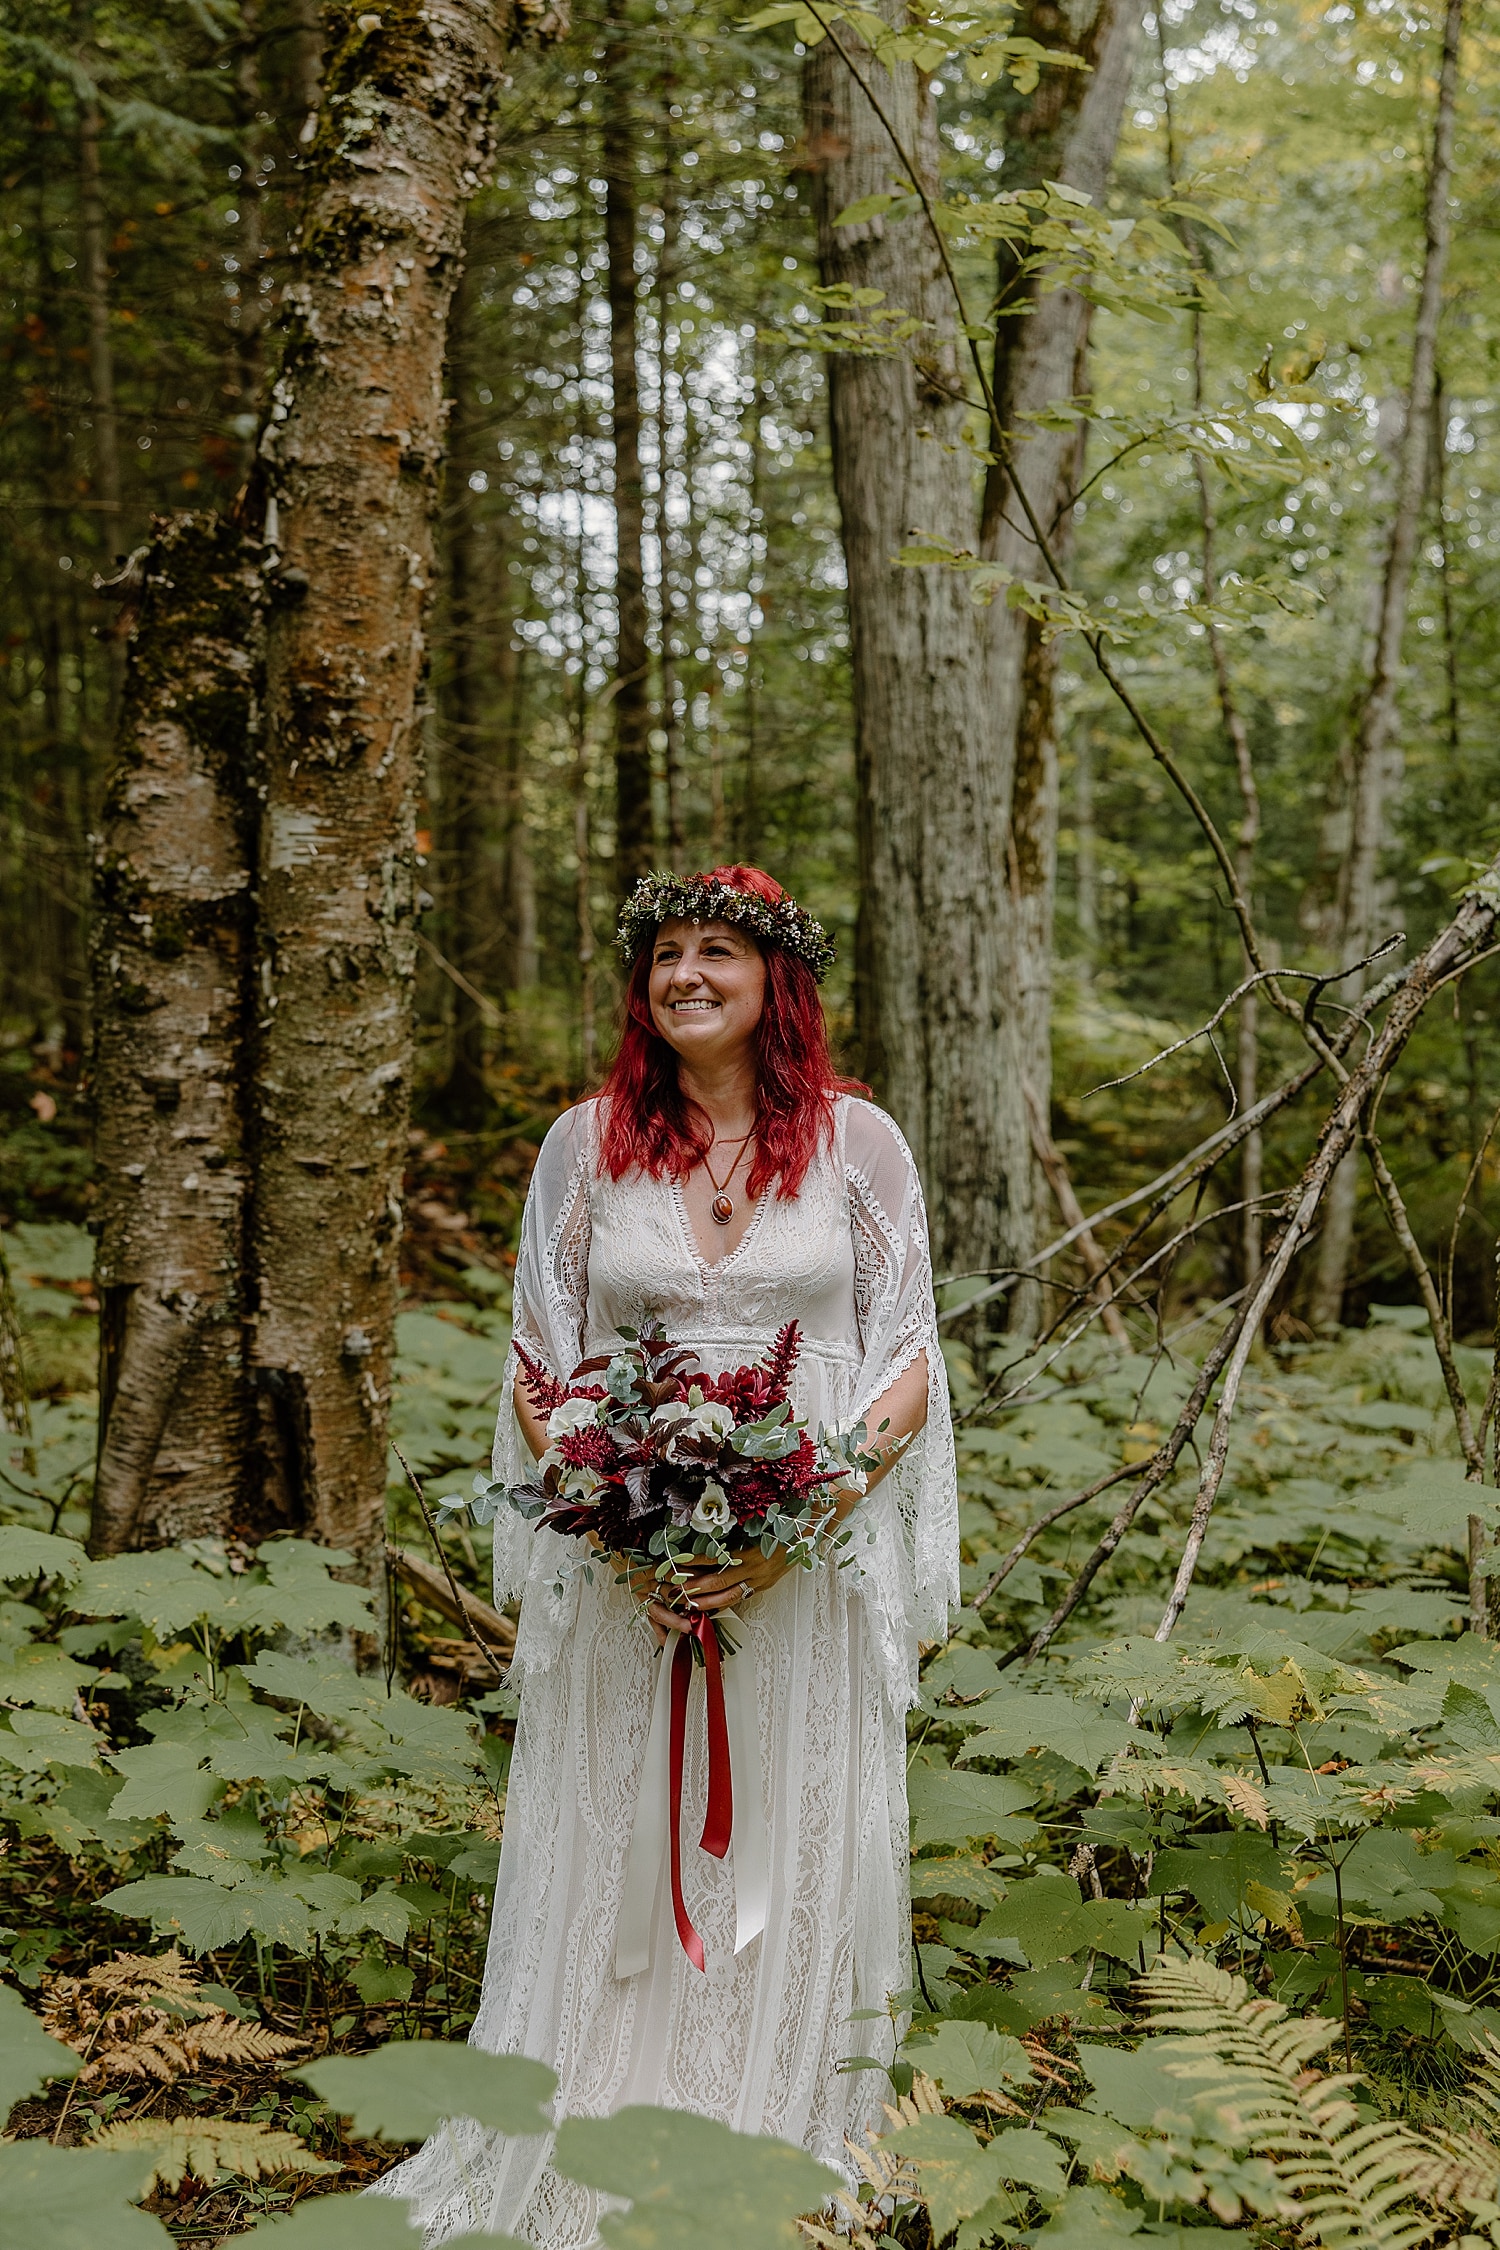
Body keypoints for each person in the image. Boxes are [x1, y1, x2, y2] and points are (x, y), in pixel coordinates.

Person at [376, 865, 958, 2245]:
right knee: (620, 1837)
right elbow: (539, 1350)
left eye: (719, 950)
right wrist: (609, 1513)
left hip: (800, 1575)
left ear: (776, 981)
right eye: (663, 955)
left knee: (795, 1835)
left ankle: (777, 2130)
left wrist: (791, 1526)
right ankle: (596, 2121)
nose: (685, 974)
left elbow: (908, 1358)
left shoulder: (858, 1146)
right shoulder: (586, 1145)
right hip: (629, 1575)